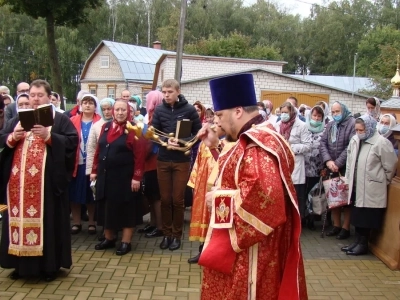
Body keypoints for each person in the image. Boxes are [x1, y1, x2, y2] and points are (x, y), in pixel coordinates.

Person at [197, 74, 307, 299]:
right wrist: (216, 146)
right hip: (256, 245)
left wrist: (217, 200)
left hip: (254, 251)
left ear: (238, 111)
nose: (216, 121)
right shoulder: (255, 138)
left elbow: (265, 199)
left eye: (220, 114)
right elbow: (239, 174)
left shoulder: (257, 145)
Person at [0, 79, 78, 281]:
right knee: (17, 224)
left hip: (46, 186)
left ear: (49, 97)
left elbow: (72, 143)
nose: (35, 99)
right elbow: (2, 140)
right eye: (32, 95)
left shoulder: (59, 120)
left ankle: (48, 267)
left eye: (39, 95)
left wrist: (50, 136)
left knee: (47, 223)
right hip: (18, 188)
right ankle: (20, 265)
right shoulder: (17, 119)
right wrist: (12, 137)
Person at [152, 79, 202, 251]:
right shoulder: (159, 110)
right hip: (163, 159)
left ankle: (176, 235)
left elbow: (198, 132)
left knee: (178, 200)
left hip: (182, 160)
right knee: (165, 199)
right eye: (164, 92)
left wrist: (182, 142)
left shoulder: (188, 110)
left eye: (169, 92)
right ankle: (166, 234)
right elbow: (153, 133)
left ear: (178, 91)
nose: (166, 95)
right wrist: (166, 140)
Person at [91, 100, 146, 255]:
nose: (120, 113)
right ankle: (109, 238)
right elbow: (98, 150)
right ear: (113, 111)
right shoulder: (106, 127)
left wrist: (137, 177)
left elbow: (140, 155)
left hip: (125, 179)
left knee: (126, 209)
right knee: (107, 207)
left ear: (128, 111)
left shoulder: (134, 130)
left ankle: (125, 242)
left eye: (123, 110)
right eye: (117, 110)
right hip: (105, 177)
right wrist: (94, 170)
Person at [342, 115, 397, 256]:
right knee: (357, 215)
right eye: (357, 130)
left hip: (372, 187)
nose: (359, 133)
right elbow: (349, 162)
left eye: (361, 130)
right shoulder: (355, 140)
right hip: (356, 185)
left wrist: (381, 181)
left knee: (367, 217)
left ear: (370, 128)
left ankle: (363, 244)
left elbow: (390, 166)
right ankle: (357, 241)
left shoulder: (381, 143)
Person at [187, 115, 227, 264]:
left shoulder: (228, 143)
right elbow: (198, 162)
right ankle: (202, 250)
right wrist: (194, 183)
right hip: (203, 187)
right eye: (214, 123)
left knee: (214, 218)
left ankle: (213, 252)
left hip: (218, 187)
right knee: (203, 217)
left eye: (219, 124)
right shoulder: (205, 143)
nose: (215, 127)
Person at [319, 101, 355, 239]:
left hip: (345, 167)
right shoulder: (331, 124)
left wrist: (338, 163)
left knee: (346, 199)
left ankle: (345, 228)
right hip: (330, 166)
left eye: (337, 111)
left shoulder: (351, 123)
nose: (335, 114)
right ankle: (336, 225)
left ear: (344, 110)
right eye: (333, 112)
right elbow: (323, 143)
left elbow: (350, 146)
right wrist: (328, 161)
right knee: (333, 197)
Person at [69, 95, 101, 235]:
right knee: (75, 195)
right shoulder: (72, 120)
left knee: (91, 194)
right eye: (85, 103)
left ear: (95, 106)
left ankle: (92, 222)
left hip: (93, 164)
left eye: (90, 103)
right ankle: (76, 222)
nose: (87, 105)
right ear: (80, 105)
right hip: (77, 163)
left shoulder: (100, 121)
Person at [275, 102, 312, 222]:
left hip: (296, 163)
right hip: (281, 163)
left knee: (296, 195)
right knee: (283, 195)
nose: (284, 115)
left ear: (292, 112)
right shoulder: (277, 125)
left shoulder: (302, 125)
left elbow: (308, 146)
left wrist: (290, 147)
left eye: (286, 112)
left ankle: (297, 221)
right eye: (282, 112)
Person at [138, 90, 164, 238]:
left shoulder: (157, 117)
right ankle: (153, 223)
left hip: (154, 161)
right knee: (151, 195)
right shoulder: (152, 116)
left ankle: (159, 226)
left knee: (156, 196)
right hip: (149, 162)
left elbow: (152, 141)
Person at [304, 105, 326, 230]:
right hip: (304, 168)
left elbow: (326, 148)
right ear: (310, 116)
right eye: (314, 116)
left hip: (318, 169)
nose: (316, 118)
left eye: (319, 116)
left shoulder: (325, 130)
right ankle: (304, 216)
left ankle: (312, 218)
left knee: (314, 194)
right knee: (304, 193)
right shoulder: (304, 128)